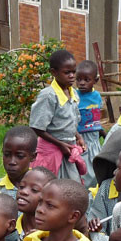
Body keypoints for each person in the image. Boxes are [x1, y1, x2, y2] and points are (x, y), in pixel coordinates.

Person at [30, 49, 86, 181]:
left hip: (68, 148)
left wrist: (77, 136)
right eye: (67, 72)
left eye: (74, 72)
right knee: (50, 186)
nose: (72, 76)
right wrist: (60, 144)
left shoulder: (74, 93)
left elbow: (71, 120)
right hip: (51, 151)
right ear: (54, 72)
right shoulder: (49, 96)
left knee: (70, 188)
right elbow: (37, 127)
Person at [75, 60, 106, 187]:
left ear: (95, 80)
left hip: (94, 139)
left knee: (96, 168)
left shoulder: (97, 96)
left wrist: (103, 132)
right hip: (81, 140)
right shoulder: (74, 96)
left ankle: (94, 194)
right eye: (79, 79)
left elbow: (95, 118)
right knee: (83, 170)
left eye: (86, 80)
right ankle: (84, 193)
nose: (82, 83)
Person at [0, 126, 37, 198]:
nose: (12, 162)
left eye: (20, 156)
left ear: (33, 156)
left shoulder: (43, 189)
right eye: (7, 154)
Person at [15, 166, 56, 239]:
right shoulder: (9, 227)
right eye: (21, 186)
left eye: (34, 190)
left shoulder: (54, 234)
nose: (23, 192)